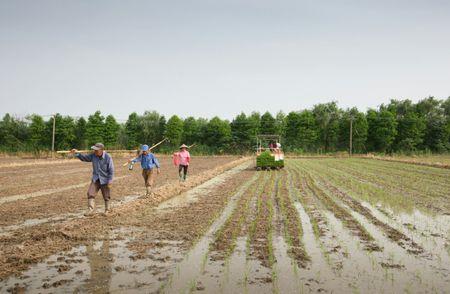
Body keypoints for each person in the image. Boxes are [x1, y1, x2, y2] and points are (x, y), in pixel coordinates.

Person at [70, 143, 114, 215]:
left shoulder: (108, 157)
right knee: (90, 193)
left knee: (106, 195)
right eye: (94, 150)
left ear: (101, 150)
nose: (94, 151)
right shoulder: (93, 155)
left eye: (96, 150)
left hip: (105, 179)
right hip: (96, 178)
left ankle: (107, 210)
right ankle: (91, 210)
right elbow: (84, 158)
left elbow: (111, 170)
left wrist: (110, 180)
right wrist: (77, 153)